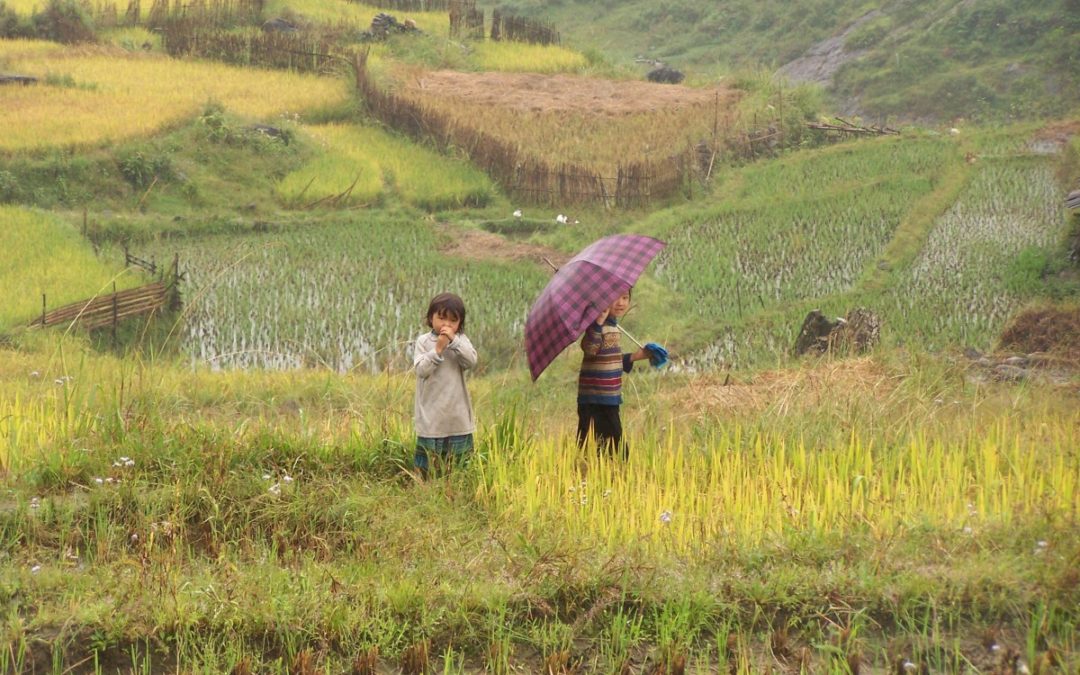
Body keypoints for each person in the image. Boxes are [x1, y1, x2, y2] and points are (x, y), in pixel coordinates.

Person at [577, 290, 652, 458]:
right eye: (615, 297)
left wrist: (636, 356)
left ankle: (600, 475)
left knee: (606, 446)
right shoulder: (596, 326)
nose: (621, 303)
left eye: (625, 298)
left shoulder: (613, 327)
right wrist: (598, 322)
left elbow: (613, 361)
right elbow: (590, 349)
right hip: (595, 398)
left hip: (609, 397)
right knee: (602, 445)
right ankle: (591, 474)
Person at [412, 292, 477, 478]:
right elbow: (421, 371)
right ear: (430, 318)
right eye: (441, 318)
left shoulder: (461, 341)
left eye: (452, 321)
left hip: (457, 416)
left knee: (458, 468)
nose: (446, 325)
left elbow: (471, 361)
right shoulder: (424, 342)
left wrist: (454, 342)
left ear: (460, 324)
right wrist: (438, 349)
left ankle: (453, 492)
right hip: (431, 417)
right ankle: (426, 492)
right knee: (427, 469)